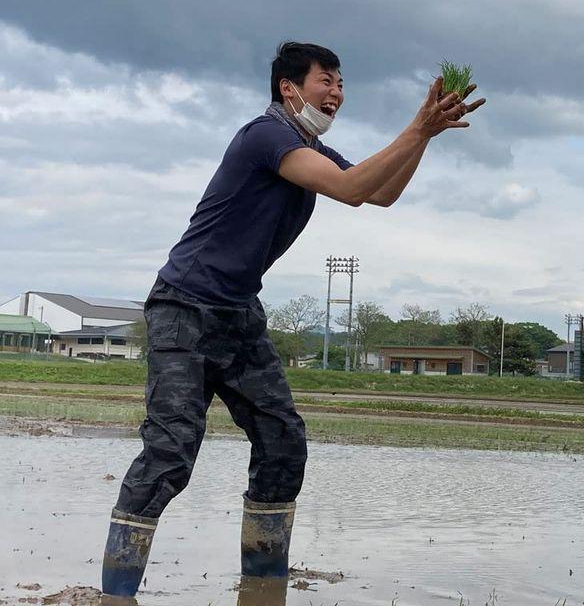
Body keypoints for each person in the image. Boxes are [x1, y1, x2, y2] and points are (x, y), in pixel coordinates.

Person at [100, 41, 485, 603]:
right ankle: (115, 593)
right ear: (289, 88)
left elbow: (377, 194)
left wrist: (424, 136)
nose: (337, 93)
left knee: (283, 442)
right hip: (185, 306)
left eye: (341, 84)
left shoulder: (306, 145)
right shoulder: (267, 136)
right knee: (170, 453)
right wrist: (416, 127)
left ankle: (263, 584)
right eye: (326, 80)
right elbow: (352, 188)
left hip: (239, 315)